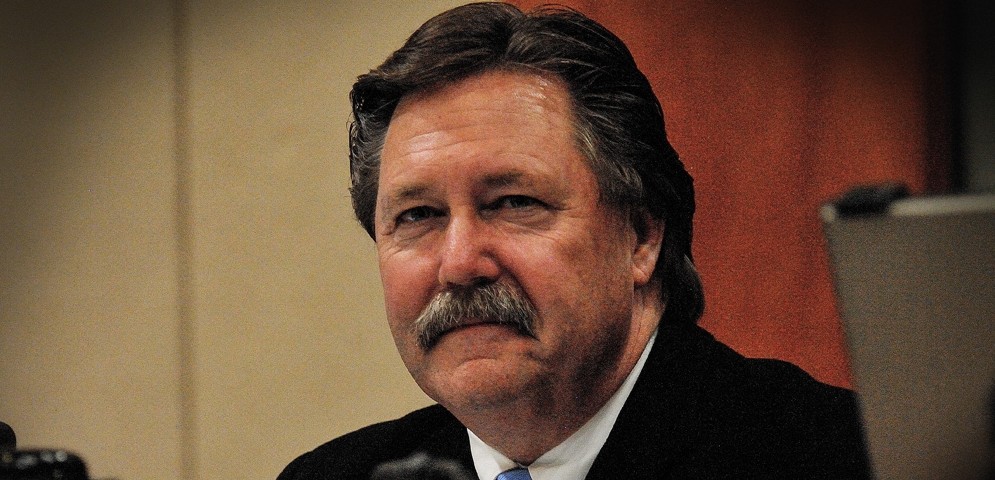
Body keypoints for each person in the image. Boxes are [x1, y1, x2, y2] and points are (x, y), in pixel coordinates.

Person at [278, 3, 870, 479]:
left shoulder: (844, 458)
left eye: (513, 203)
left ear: (640, 236)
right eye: (418, 216)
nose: (458, 263)